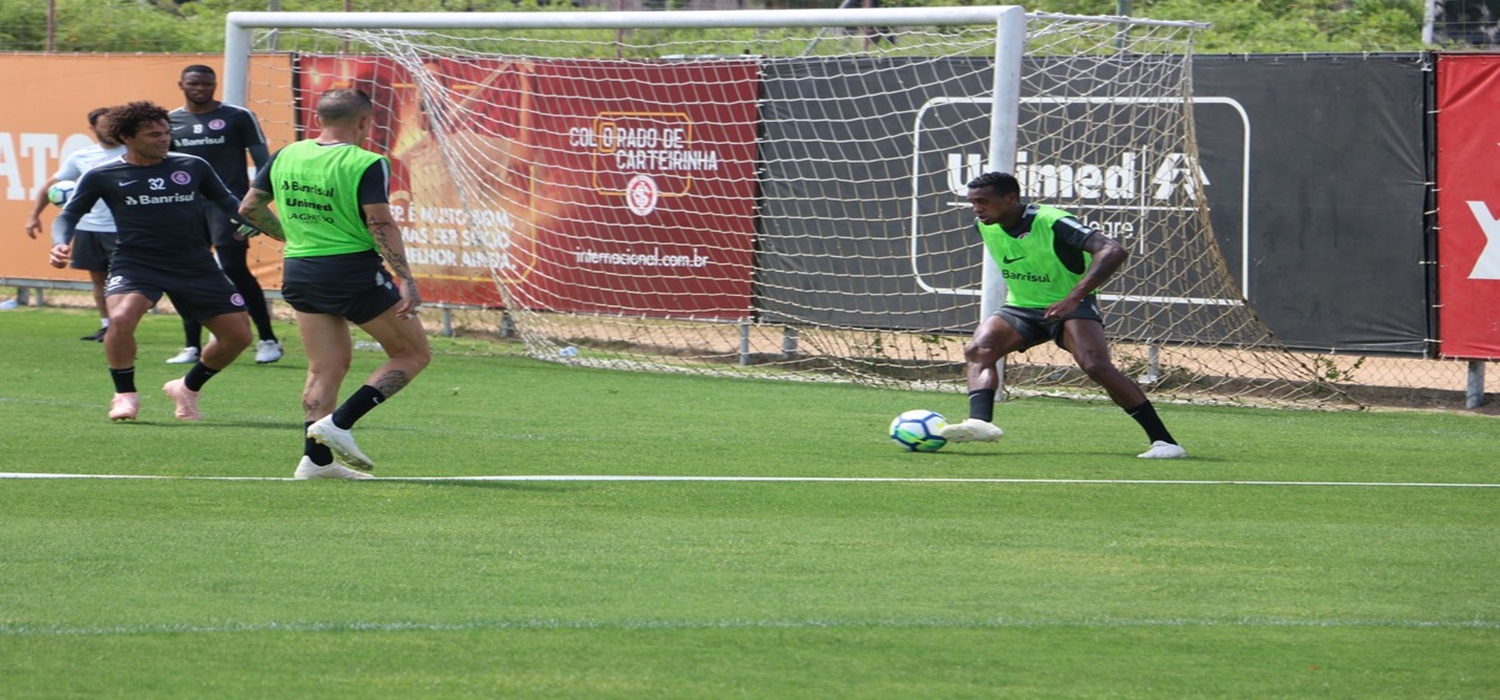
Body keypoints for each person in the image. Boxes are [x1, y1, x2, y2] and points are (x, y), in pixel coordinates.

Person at [239, 88, 431, 480]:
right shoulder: (367, 162)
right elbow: (379, 222)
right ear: (364, 122)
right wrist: (406, 279)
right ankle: (339, 423)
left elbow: (248, 209)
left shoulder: (285, 155)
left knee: (325, 367)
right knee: (411, 354)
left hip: (300, 270)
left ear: (318, 119)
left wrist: (288, 236)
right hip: (351, 272)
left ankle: (316, 462)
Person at [941, 172, 1187, 459]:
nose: (977, 208)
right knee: (979, 349)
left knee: (1095, 366)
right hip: (1021, 306)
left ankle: (1165, 442)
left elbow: (1113, 250)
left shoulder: (1051, 220)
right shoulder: (984, 225)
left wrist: (1074, 297)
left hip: (1072, 306)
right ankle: (980, 423)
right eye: (972, 202)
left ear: (1010, 198)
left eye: (983, 201)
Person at [51, 101, 253, 422]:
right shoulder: (103, 175)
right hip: (137, 263)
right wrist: (61, 243)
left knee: (239, 337)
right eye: (153, 134)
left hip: (195, 264)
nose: (164, 140)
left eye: (166, 133)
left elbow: (228, 202)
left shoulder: (192, 165)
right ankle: (125, 395)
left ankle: (187, 387)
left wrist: (248, 222)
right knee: (120, 318)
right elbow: (68, 215)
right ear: (127, 137)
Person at [167, 64, 283, 365]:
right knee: (187, 271)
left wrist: (255, 208)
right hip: (187, 207)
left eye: (208, 83)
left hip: (228, 206)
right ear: (181, 84)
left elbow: (264, 163)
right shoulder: (171, 121)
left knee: (233, 268)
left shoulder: (237, 116)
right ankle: (191, 345)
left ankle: (268, 339)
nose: (201, 88)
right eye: (194, 83)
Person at [26, 107, 125, 341]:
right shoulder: (82, 157)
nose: (111, 129)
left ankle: (121, 326)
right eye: (105, 125)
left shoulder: (130, 152)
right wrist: (34, 215)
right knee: (98, 279)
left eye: (114, 124)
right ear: (93, 128)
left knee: (122, 281)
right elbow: (51, 185)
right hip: (89, 227)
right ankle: (106, 325)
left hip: (121, 229)